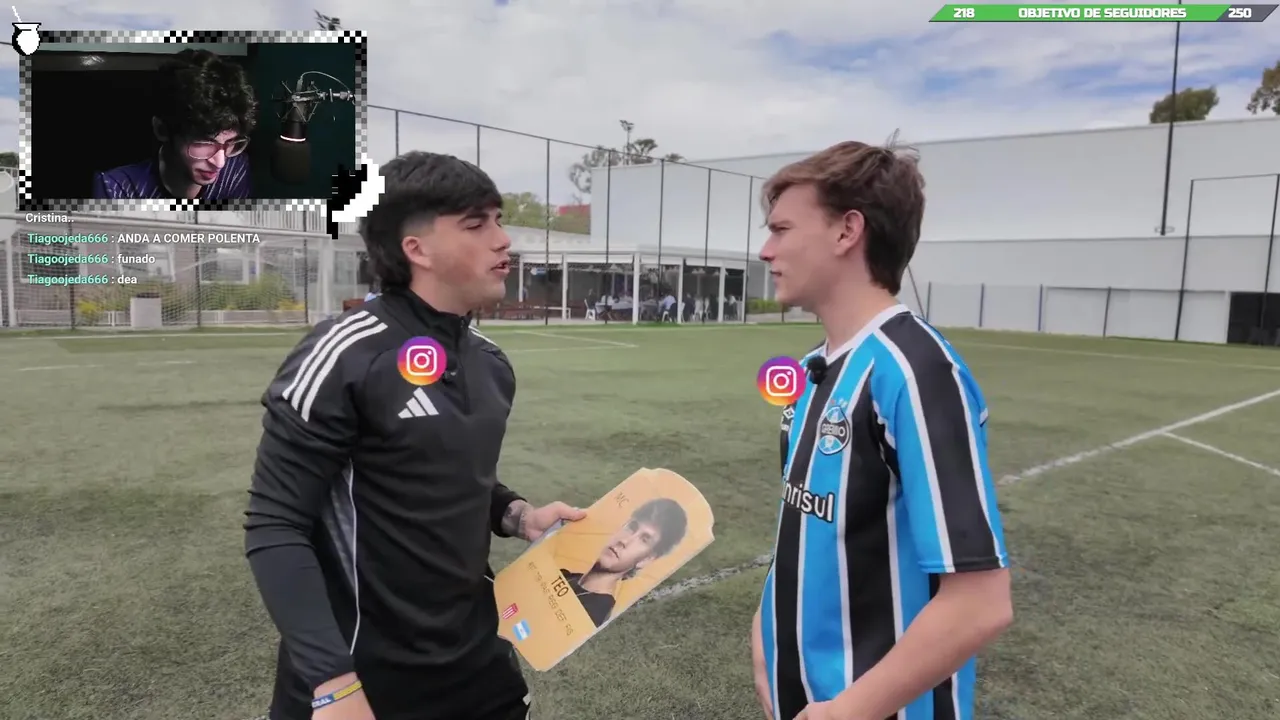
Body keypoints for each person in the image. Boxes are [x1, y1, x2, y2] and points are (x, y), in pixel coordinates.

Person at [243, 151, 585, 720]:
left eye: (499, 220)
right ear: (416, 249)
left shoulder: (490, 364)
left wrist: (518, 515)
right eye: (476, 224)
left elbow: (445, 474)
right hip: (366, 680)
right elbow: (275, 524)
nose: (503, 239)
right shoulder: (344, 355)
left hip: (479, 665)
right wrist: (333, 685)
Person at [751, 141, 1012, 720]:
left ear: (847, 231)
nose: (766, 250)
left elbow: (980, 603)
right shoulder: (812, 369)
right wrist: (764, 633)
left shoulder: (916, 371)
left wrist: (847, 710)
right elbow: (809, 527)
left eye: (782, 229)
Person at [93, 49, 255, 200]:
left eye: (229, 143)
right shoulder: (117, 189)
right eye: (204, 143)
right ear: (162, 130)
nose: (220, 163)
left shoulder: (235, 169)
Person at [559, 497, 688, 627]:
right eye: (632, 527)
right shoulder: (567, 576)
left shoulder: (593, 615)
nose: (624, 541)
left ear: (646, 559)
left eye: (644, 539)